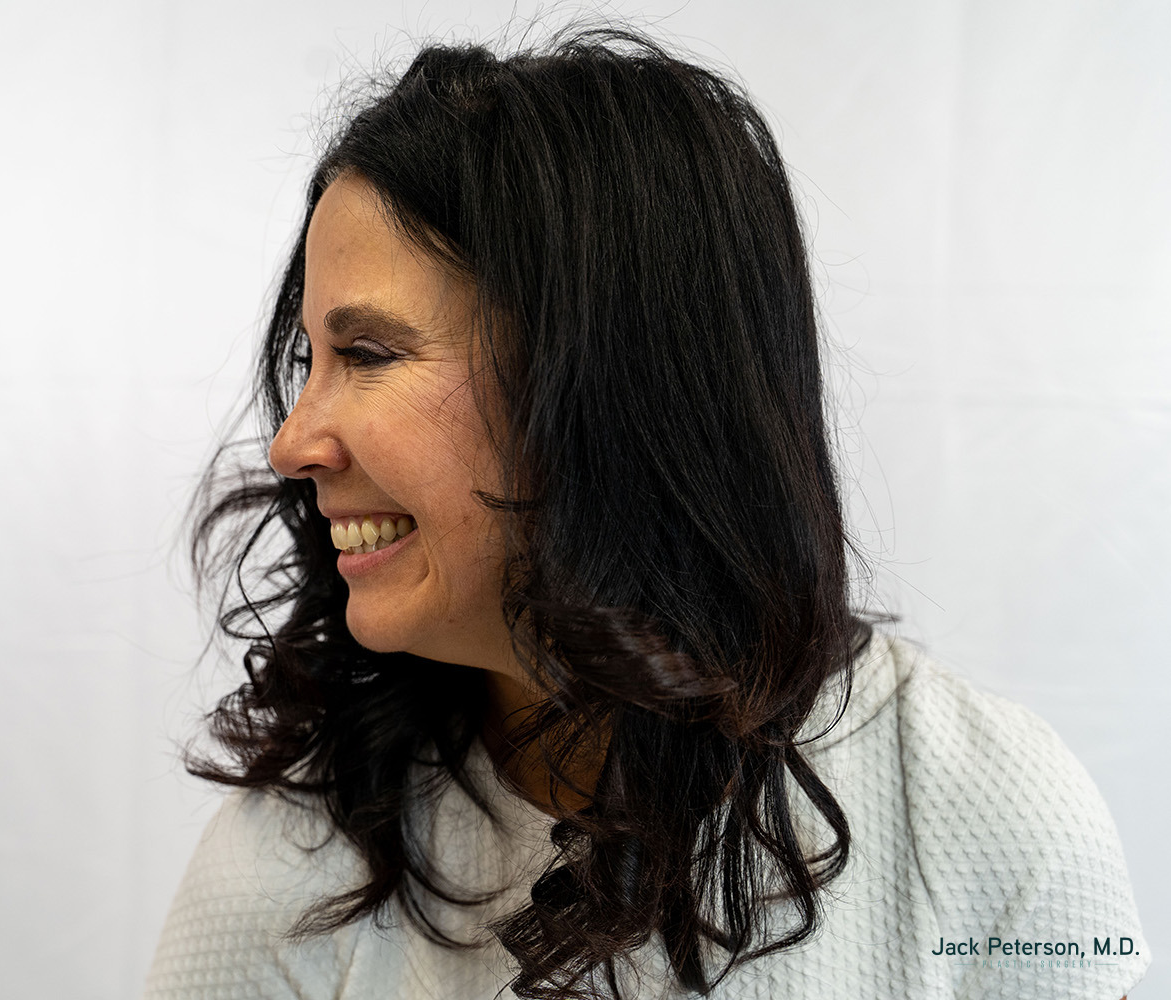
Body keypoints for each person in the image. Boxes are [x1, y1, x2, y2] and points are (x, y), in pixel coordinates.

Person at [143, 23, 1149, 1000]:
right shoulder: (291, 870)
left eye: (367, 354)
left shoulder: (993, 822)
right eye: (310, 360)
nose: (292, 442)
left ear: (612, 388)